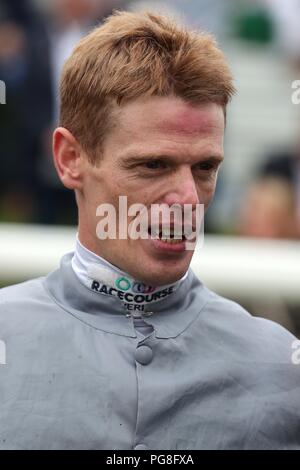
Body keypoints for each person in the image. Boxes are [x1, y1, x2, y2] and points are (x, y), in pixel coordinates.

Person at [0, 10, 299, 451]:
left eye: (204, 168)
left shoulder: (282, 366)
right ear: (69, 158)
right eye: (152, 165)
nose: (186, 199)